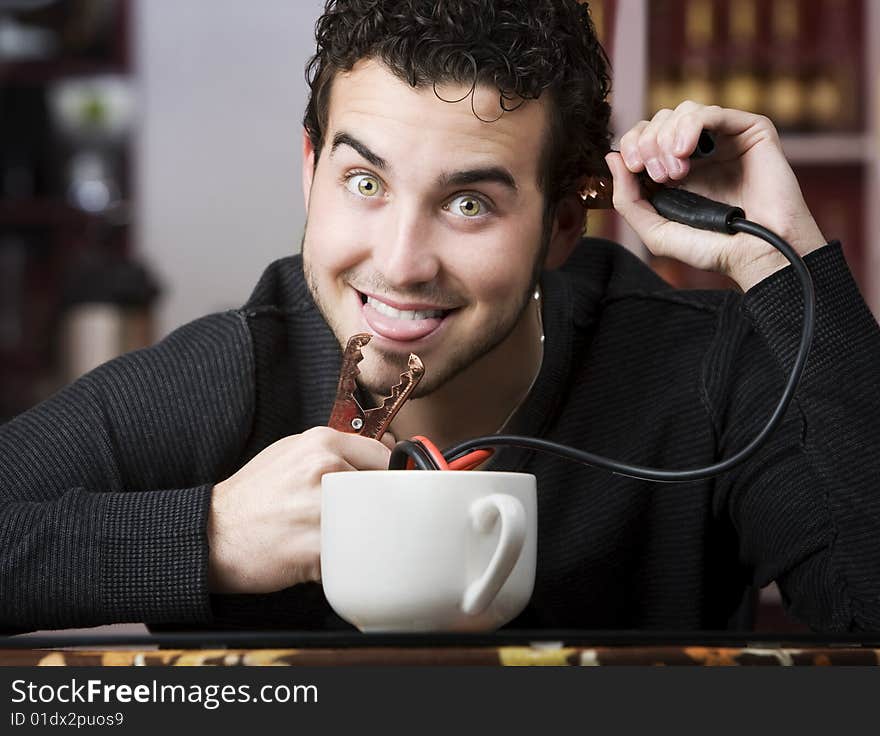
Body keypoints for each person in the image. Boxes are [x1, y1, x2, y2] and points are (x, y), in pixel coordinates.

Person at [1, 0, 879, 634]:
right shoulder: (225, 375)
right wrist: (212, 536)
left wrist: (784, 257)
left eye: (469, 205)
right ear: (310, 170)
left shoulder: (700, 372)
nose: (398, 262)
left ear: (565, 221)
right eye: (363, 183)